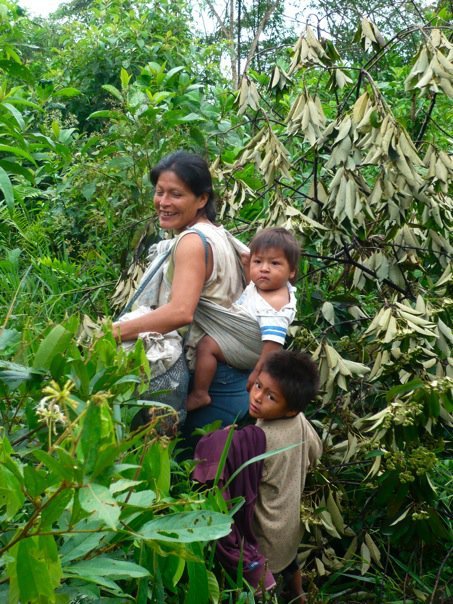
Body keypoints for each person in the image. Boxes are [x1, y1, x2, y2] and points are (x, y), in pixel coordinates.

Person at [113, 150, 253, 429]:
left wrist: (112, 333)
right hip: (234, 382)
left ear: (202, 199)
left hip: (211, 390)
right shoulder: (219, 235)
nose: (163, 202)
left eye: (176, 194)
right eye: (159, 192)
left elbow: (180, 312)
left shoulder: (191, 242)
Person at [186, 227, 299, 412]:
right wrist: (247, 267)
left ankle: (200, 393)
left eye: (274, 263)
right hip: (241, 335)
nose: (264, 269)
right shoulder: (266, 287)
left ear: (292, 271)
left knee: (206, 346)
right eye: (258, 261)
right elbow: (250, 289)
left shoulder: (275, 306)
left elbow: (273, 348)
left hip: (250, 351)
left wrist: (257, 373)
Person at [249, 350, 322, 603]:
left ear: (289, 409)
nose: (257, 397)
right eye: (258, 385)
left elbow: (245, 486)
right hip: (290, 524)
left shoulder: (262, 440)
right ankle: (300, 595)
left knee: (261, 587)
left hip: (265, 535)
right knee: (291, 562)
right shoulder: (298, 419)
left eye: (271, 397)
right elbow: (316, 450)